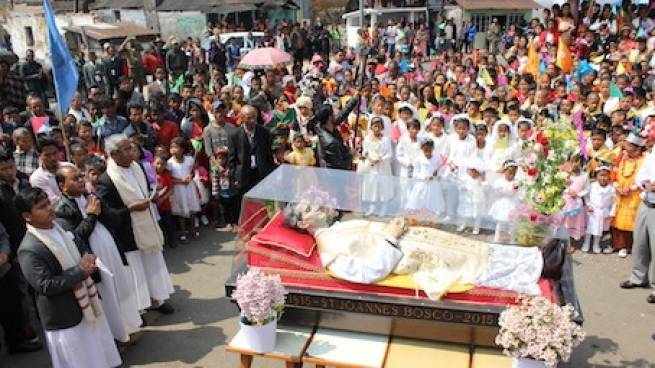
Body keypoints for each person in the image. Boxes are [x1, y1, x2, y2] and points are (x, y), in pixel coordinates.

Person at [16, 186, 122, 368]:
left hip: (87, 304)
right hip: (65, 316)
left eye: (48, 203)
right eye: (42, 207)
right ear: (27, 216)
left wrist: (88, 257)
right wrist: (80, 272)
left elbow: (80, 246)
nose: (49, 208)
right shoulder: (29, 248)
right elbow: (45, 285)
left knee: (98, 354)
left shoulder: (62, 226)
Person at [54, 165, 142, 343]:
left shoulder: (92, 197)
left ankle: (127, 327)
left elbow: (115, 220)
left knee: (120, 290)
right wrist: (91, 215)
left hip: (112, 252)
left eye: (81, 177)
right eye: (75, 179)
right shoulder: (61, 210)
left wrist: (100, 210)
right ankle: (115, 337)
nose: (81, 181)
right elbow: (76, 238)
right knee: (106, 297)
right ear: (62, 186)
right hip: (95, 260)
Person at [95, 134, 174, 314]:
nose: (132, 152)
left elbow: (144, 190)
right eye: (126, 149)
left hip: (147, 225)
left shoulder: (137, 167)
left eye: (131, 148)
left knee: (153, 264)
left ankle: (157, 299)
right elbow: (107, 214)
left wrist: (151, 197)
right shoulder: (106, 180)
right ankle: (140, 308)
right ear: (114, 155)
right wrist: (131, 208)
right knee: (136, 271)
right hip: (129, 233)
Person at [620, 146, 655, 303]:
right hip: (646, 201)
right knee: (640, 243)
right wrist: (645, 183)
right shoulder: (653, 151)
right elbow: (642, 174)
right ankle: (638, 278)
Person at [611, 133, 646, 258]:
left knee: (633, 221)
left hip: (635, 195)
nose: (625, 146)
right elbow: (614, 171)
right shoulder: (621, 157)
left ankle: (630, 246)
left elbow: (644, 178)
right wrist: (617, 186)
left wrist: (632, 188)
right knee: (617, 219)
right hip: (619, 193)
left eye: (628, 145)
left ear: (638, 148)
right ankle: (618, 245)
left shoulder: (644, 160)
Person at [228, 105, 274, 193]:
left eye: (254, 117)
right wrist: (234, 177)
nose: (252, 121)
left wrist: (269, 173)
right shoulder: (235, 135)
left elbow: (268, 155)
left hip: (260, 173)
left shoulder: (264, 132)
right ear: (242, 118)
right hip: (243, 175)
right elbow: (232, 159)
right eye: (249, 118)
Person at [168, 137, 201, 241]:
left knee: (192, 210)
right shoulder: (169, 163)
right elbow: (169, 179)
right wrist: (180, 181)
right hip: (178, 190)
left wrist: (191, 176)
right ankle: (183, 231)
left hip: (189, 187)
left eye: (176, 147)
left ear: (182, 149)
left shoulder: (189, 159)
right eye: (171, 147)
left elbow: (193, 172)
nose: (173, 149)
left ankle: (193, 229)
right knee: (181, 211)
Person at [359, 117, 394, 215]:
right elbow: (364, 151)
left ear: (382, 127)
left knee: (383, 186)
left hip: (382, 166)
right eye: (375, 126)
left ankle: (383, 207)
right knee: (371, 186)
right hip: (371, 166)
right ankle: (372, 207)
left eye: (379, 126)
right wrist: (367, 157)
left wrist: (380, 159)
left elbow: (389, 154)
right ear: (371, 127)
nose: (377, 128)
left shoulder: (385, 140)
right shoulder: (367, 139)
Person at [405, 137, 445, 216]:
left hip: (433, 184)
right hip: (421, 184)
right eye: (425, 149)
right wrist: (424, 177)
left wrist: (437, 174)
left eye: (429, 149)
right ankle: (417, 217)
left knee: (432, 201)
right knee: (419, 200)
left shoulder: (437, 158)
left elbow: (440, 169)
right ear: (422, 148)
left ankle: (430, 218)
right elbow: (415, 173)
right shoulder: (419, 159)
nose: (427, 151)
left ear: (433, 148)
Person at [29, 136, 73, 205]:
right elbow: (52, 201)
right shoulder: (37, 178)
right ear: (39, 155)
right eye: (47, 155)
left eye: (54, 153)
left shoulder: (69, 167)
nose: (52, 158)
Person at [583, 166, 616, 254]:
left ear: (609, 177)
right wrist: (588, 205)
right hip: (592, 211)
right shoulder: (592, 186)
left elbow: (614, 202)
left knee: (599, 230)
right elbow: (586, 196)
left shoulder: (611, 188)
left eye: (605, 176)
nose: (603, 178)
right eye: (600, 175)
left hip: (602, 212)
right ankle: (586, 243)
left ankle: (596, 244)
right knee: (589, 229)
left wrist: (612, 212)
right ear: (596, 176)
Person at [489, 160, 521, 243]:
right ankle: (497, 238)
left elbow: (517, 191)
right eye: (509, 172)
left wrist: (514, 189)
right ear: (504, 171)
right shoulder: (499, 181)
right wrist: (509, 190)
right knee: (500, 222)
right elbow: (499, 192)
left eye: (514, 173)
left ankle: (512, 240)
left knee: (512, 224)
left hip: (512, 204)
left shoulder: (516, 182)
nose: (512, 175)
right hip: (502, 204)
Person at [457, 157, 487, 235]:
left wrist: (483, 178)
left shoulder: (480, 179)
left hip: (477, 199)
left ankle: (476, 227)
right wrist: (462, 188)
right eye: (471, 171)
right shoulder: (465, 178)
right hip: (467, 199)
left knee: (477, 213)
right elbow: (460, 184)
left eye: (475, 172)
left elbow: (485, 187)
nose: (473, 173)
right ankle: (464, 224)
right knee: (465, 212)